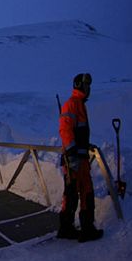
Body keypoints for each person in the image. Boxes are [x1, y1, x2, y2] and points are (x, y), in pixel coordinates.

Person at [57, 73, 103, 242]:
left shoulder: (79, 104)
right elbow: (65, 130)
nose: (89, 88)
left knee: (85, 193)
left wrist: (85, 147)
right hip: (74, 160)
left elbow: (78, 132)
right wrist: (72, 152)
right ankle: (67, 228)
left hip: (81, 158)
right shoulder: (72, 104)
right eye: (86, 85)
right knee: (72, 194)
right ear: (79, 86)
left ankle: (85, 228)